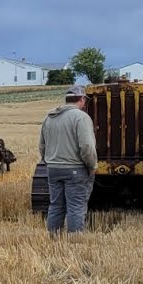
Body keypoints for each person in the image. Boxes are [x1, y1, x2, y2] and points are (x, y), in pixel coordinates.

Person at [39, 85, 97, 234]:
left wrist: (49, 162)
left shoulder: (50, 117)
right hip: (75, 169)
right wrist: (91, 166)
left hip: (53, 169)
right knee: (76, 206)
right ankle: (75, 242)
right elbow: (87, 146)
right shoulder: (81, 117)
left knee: (56, 205)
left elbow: (42, 146)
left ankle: (53, 237)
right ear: (82, 99)